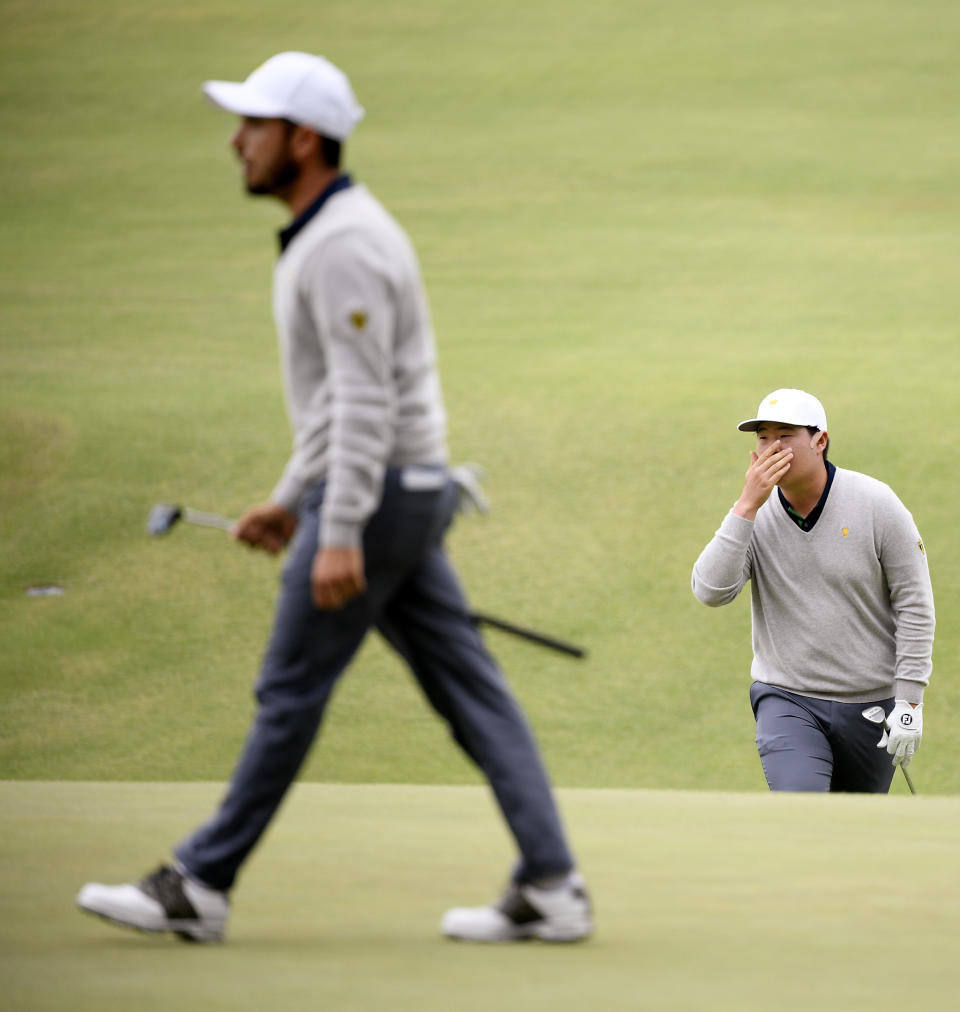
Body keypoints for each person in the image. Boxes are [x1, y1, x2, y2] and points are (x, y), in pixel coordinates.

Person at [77, 52, 591, 944]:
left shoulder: (343, 243)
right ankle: (552, 885)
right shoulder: (328, 233)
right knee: (473, 692)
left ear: (303, 138)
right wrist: (288, 499)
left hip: (381, 498)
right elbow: (335, 403)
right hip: (403, 490)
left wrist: (338, 527)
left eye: (253, 125)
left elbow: (363, 403)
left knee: (290, 689)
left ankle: (200, 881)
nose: (236, 142)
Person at [691, 388, 935, 792]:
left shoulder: (876, 503)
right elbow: (710, 590)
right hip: (787, 698)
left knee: (854, 832)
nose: (772, 448)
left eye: (785, 435)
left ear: (820, 441)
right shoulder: (754, 516)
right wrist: (746, 506)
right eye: (763, 437)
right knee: (801, 807)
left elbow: (913, 603)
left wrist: (909, 701)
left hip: (871, 705)